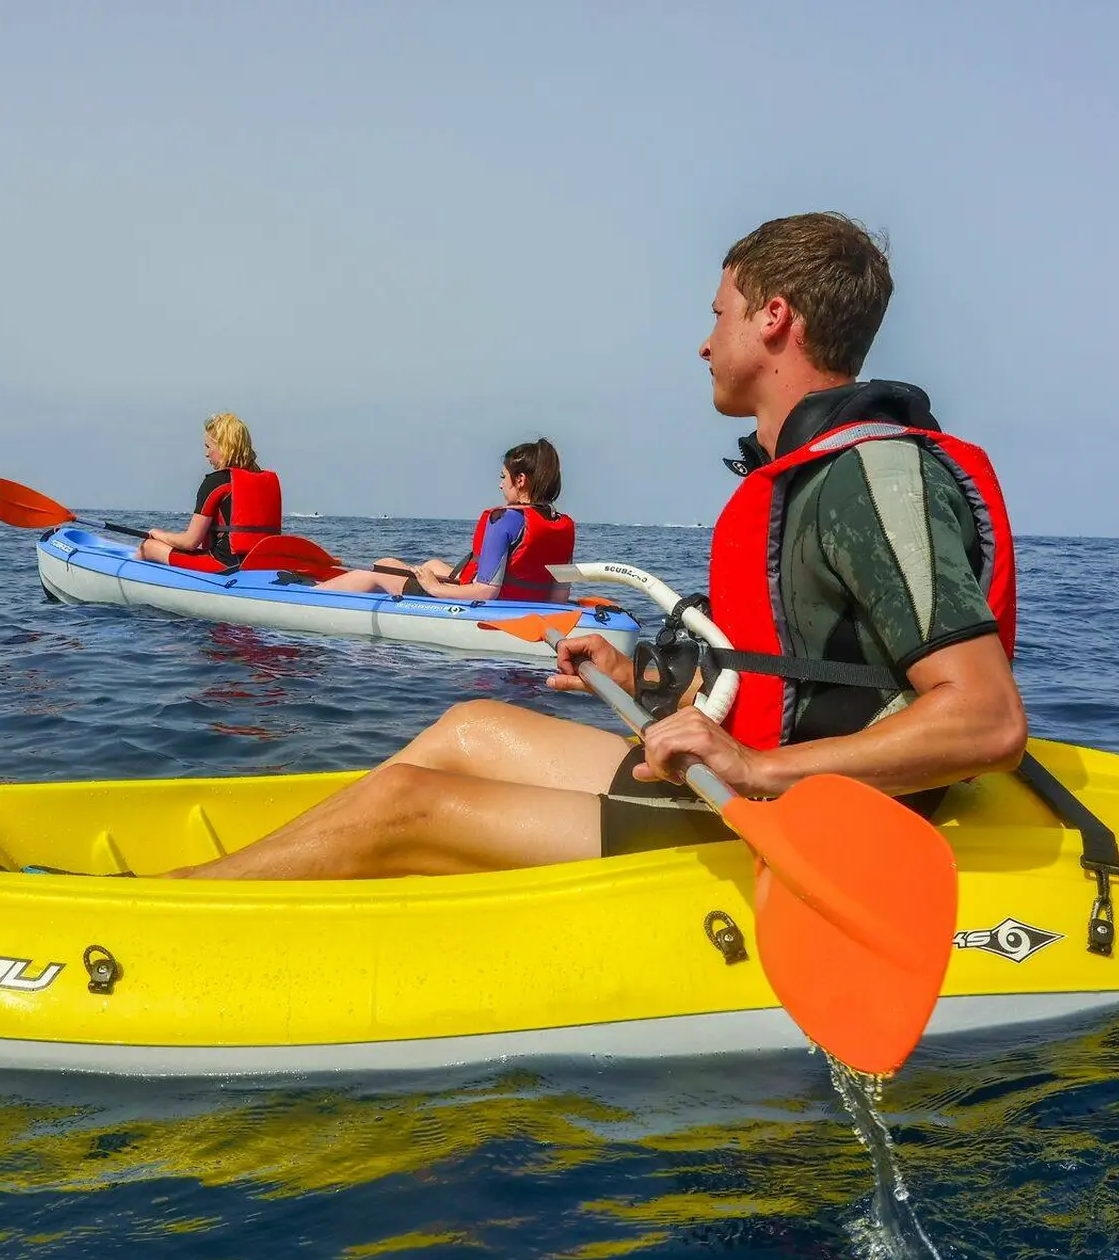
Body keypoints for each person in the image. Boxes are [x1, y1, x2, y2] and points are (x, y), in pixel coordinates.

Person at [157, 212, 1028, 879]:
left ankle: (171, 910)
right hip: (754, 789)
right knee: (469, 727)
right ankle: (256, 878)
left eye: (717, 314)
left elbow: (984, 719)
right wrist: (640, 676)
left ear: (773, 318)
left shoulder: (869, 479)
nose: (703, 340)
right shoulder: (802, 475)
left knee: (405, 804)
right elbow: (792, 674)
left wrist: (757, 770)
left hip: (809, 825)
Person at [314, 440, 576, 602]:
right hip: (523, 600)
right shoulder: (563, 524)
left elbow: (486, 592)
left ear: (520, 480)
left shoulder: (504, 520)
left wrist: (435, 588)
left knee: (374, 575)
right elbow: (559, 596)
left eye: (503, 477)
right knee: (414, 564)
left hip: (490, 603)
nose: (500, 485)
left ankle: (309, 597)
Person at [138, 412, 283, 572]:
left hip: (225, 566)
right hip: (264, 566)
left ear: (223, 447)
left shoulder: (215, 481)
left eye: (208, 446)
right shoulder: (264, 481)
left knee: (148, 546)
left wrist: (159, 534)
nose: (206, 453)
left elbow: (190, 541)